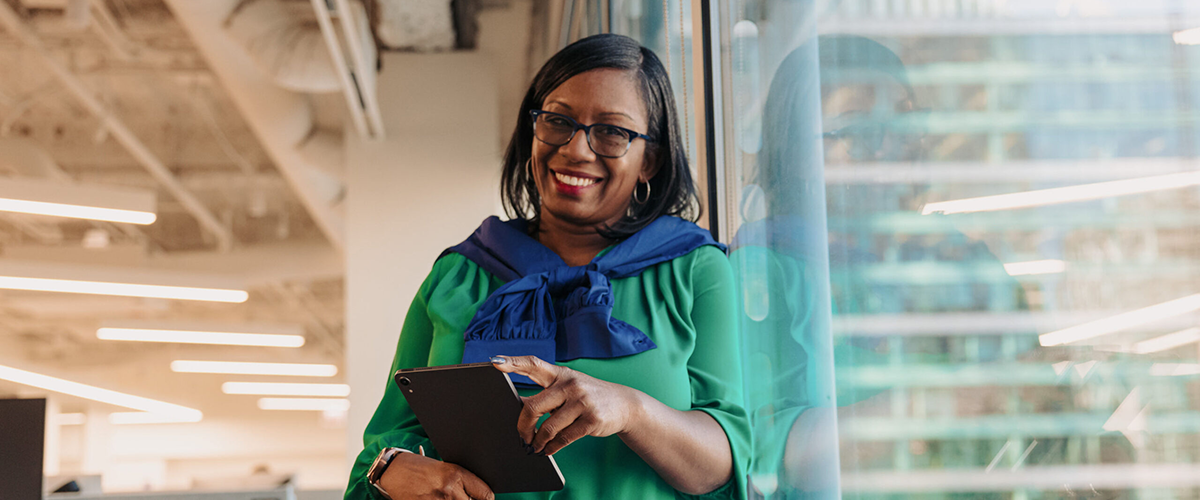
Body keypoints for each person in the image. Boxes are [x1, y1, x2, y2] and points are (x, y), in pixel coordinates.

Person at [344, 33, 750, 500]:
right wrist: (391, 471)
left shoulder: (694, 270)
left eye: (612, 132)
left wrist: (630, 409)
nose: (576, 150)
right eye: (558, 121)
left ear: (650, 161)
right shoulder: (458, 274)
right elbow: (380, 450)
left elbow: (724, 462)